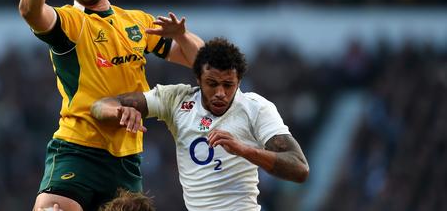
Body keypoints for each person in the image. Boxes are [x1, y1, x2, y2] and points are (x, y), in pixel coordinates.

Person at [18, 0, 204, 211]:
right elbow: (30, 12)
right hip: (78, 149)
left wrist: (181, 35)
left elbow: (204, 62)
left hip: (126, 161)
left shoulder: (137, 22)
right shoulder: (70, 24)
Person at [91, 38, 309, 210]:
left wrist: (244, 150)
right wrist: (120, 110)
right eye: (212, 84)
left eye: (228, 85)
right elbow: (99, 106)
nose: (220, 93)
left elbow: (299, 169)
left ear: (239, 81)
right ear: (198, 78)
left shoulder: (256, 109)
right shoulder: (176, 100)